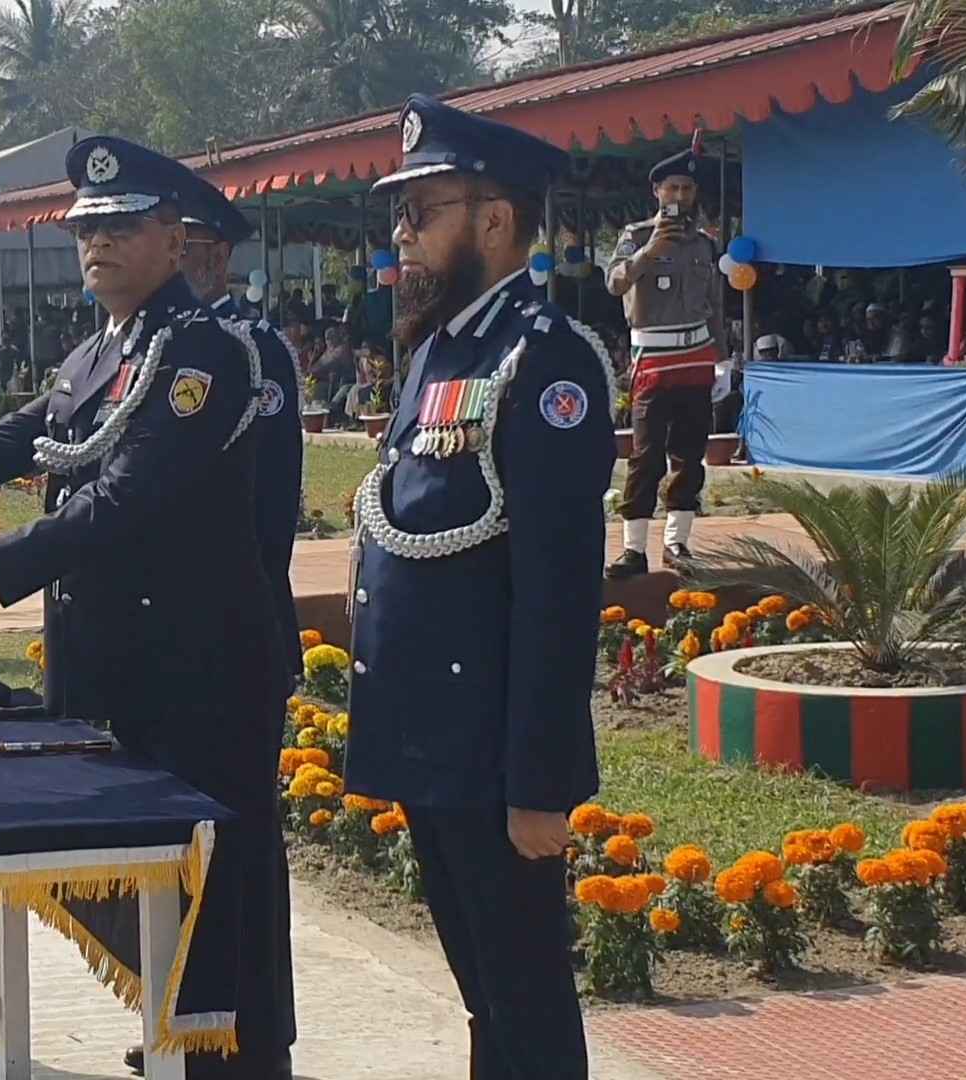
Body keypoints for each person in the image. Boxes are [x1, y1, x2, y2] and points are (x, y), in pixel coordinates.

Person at [0, 135, 288, 1079]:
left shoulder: (203, 352)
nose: (97, 244)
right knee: (149, 885)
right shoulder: (101, 350)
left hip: (200, 668)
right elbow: (12, 441)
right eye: (86, 230)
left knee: (217, 883)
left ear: (172, 237)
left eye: (121, 226)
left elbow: (125, 499)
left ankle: (236, 1061)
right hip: (118, 661)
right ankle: (178, 1041)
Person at [349, 94, 614, 1080]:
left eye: (421, 212)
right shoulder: (440, 350)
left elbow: (559, 589)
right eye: (398, 214)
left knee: (527, 1003)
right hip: (434, 741)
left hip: (494, 754)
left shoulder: (545, 359)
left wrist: (539, 784)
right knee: (486, 997)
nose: (401, 234)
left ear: (494, 220)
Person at [172, 168, 302, 1078]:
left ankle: (257, 1035)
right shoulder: (150, 348)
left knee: (244, 848)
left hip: (233, 631)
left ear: (217, 258)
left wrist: (230, 610)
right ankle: (183, 1019)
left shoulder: (254, 350)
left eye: (186, 249)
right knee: (174, 848)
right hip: (161, 644)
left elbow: (270, 507)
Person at [604, 147, 725, 577]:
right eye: (672, 187)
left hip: (696, 358)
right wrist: (651, 250)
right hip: (653, 361)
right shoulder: (636, 236)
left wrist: (722, 359)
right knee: (646, 456)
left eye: (687, 188)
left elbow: (715, 304)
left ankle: (677, 544)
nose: (680, 195)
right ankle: (633, 549)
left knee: (690, 456)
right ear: (657, 191)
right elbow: (615, 283)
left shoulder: (704, 244)